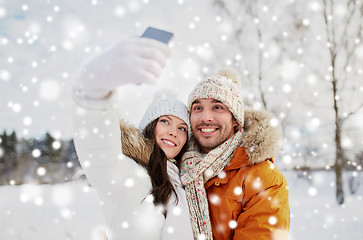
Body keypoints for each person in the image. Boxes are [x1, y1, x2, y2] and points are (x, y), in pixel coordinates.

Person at [72, 37, 194, 239]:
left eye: (182, 128)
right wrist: (95, 85)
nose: (174, 132)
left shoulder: (184, 182)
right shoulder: (126, 172)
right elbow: (97, 143)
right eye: (165, 121)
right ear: (149, 126)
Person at [180, 68, 290, 239]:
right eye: (198, 108)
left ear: (235, 120)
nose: (206, 117)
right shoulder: (176, 165)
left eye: (217, 107)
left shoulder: (263, 178)